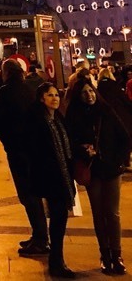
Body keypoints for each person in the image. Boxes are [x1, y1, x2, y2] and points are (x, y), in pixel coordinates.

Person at [66, 80, 131, 274]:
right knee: (98, 214)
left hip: (111, 170)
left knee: (112, 213)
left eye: (91, 91)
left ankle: (116, 254)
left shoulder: (106, 111)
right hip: (92, 170)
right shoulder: (74, 116)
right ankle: (104, 254)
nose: (89, 95)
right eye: (84, 93)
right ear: (79, 96)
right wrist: (83, 150)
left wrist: (120, 161)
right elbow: (70, 142)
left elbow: (125, 137)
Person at [0, 58, 49, 256]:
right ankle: (40, 235)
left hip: (17, 149)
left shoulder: (4, 92)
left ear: (6, 73)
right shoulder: (31, 88)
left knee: (28, 195)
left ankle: (41, 239)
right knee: (33, 193)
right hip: (34, 148)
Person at [26, 83, 76, 279]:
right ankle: (56, 262)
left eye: (56, 95)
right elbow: (34, 150)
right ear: (41, 98)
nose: (55, 98)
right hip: (50, 178)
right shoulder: (37, 120)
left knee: (59, 219)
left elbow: (67, 146)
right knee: (58, 220)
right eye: (50, 95)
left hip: (61, 177)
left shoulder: (58, 119)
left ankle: (57, 259)